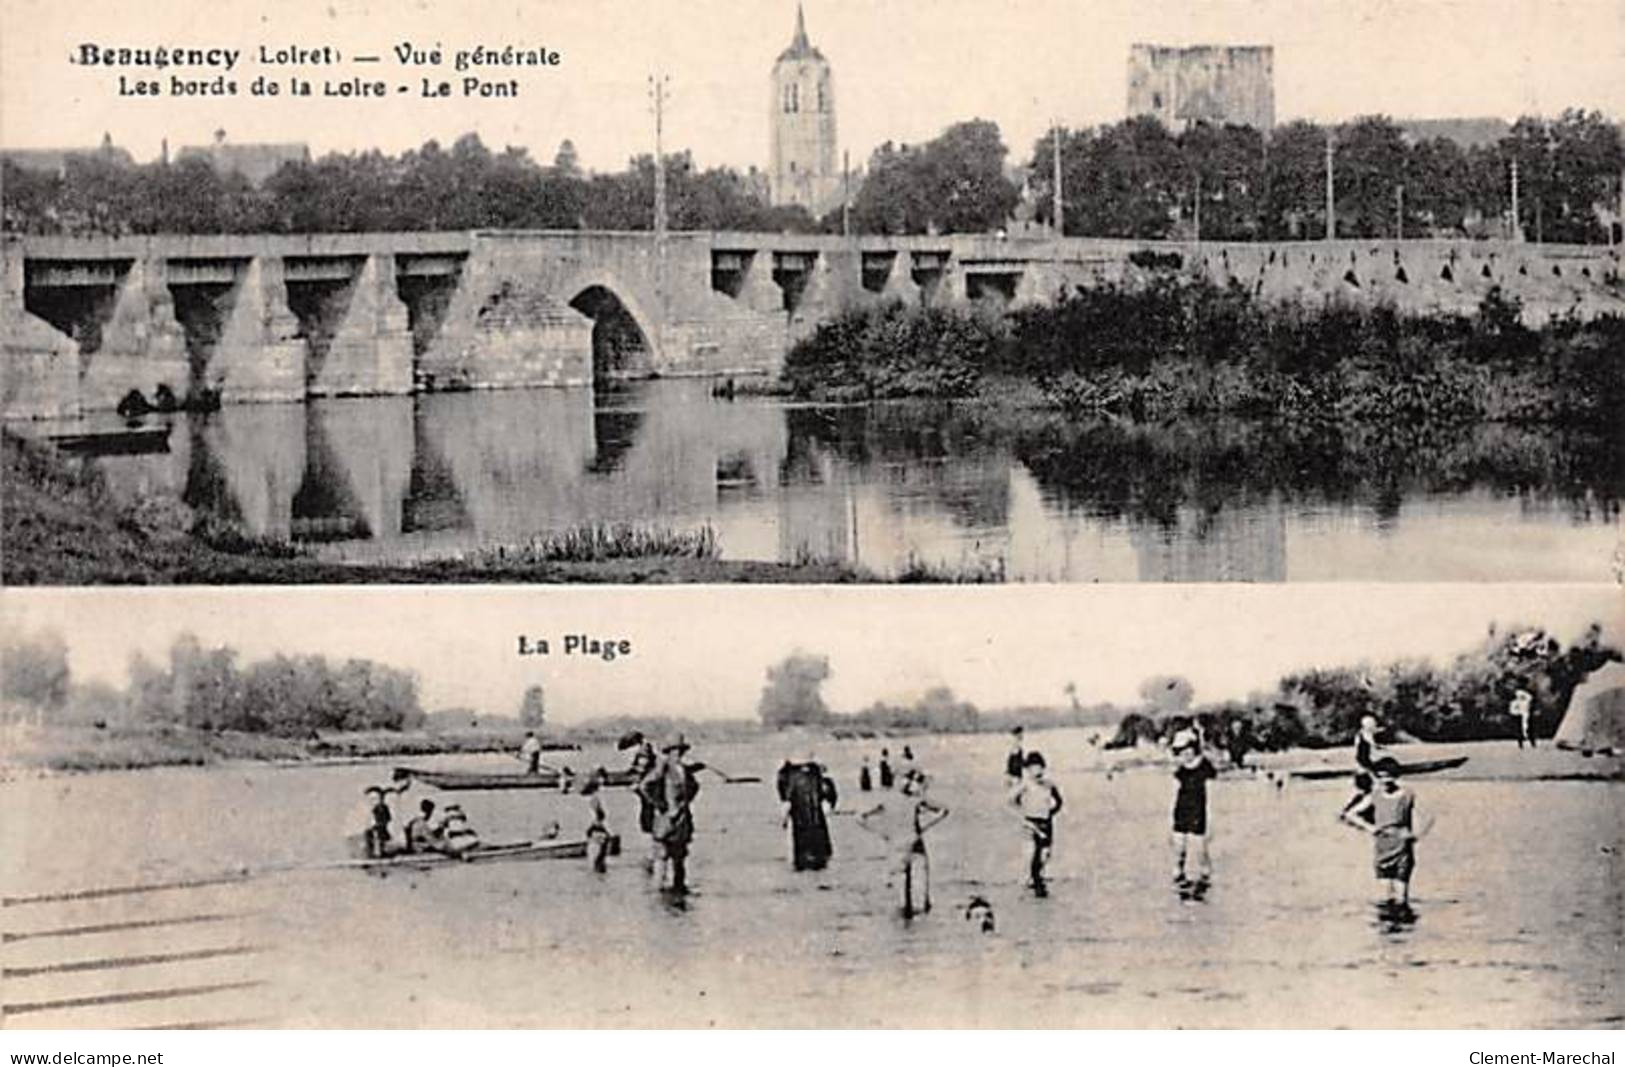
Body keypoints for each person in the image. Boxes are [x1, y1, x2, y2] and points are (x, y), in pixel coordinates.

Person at [859, 769, 949, 918]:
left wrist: (883, 832)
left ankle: (906, 937)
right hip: (911, 846)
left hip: (900, 847)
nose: (908, 783)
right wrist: (923, 827)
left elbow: (860, 817)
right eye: (906, 779)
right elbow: (943, 811)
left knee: (904, 905)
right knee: (916, 903)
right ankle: (917, 937)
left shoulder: (890, 801)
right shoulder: (913, 800)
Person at [1342, 757, 1424, 905]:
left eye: (1388, 776)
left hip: (1402, 845)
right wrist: (1370, 828)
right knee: (1385, 896)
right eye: (1380, 776)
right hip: (1382, 846)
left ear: (1396, 776)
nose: (1385, 780)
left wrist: (1416, 835)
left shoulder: (1407, 795)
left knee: (1401, 895)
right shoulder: (1375, 795)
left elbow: (1428, 816)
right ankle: (1387, 923)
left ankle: (1403, 924)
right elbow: (1350, 814)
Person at [640, 735, 702, 894]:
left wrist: (686, 803)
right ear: (669, 752)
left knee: (680, 860)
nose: (679, 754)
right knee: (661, 858)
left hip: (683, 821)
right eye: (676, 750)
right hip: (666, 821)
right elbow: (644, 786)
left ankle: (679, 893)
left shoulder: (685, 770)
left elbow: (695, 786)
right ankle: (658, 895)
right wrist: (659, 804)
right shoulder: (663, 768)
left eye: (681, 751)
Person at [1009, 751, 1064, 896]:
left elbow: (1059, 802)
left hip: (1046, 822)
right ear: (1028, 770)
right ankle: (1029, 881)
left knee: (1045, 855)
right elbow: (1010, 800)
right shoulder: (1025, 785)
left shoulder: (1049, 785)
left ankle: (1037, 878)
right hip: (1029, 821)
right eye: (1033, 768)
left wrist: (1052, 812)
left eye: (1039, 767)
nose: (1037, 771)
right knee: (1031, 853)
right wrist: (1021, 813)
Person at [1170, 729, 1217, 888]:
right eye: (1182, 752)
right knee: (1179, 846)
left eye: (1187, 750)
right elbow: (1174, 789)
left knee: (1200, 848)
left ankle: (1205, 874)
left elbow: (1212, 789)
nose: (1185, 755)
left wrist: (1211, 822)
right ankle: (1178, 871)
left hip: (1198, 809)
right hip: (1181, 809)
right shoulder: (1180, 769)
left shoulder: (1204, 766)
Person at [777, 752, 838, 872]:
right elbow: (828, 789)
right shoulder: (813, 772)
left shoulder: (789, 773)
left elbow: (784, 793)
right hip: (810, 806)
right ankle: (816, 857)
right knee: (813, 828)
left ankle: (809, 857)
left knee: (805, 831)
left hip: (803, 806)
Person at [361, 777, 411, 858]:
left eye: (375, 799)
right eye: (371, 800)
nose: (373, 803)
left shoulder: (386, 813)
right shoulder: (376, 814)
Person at [581, 767, 615, 873]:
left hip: (596, 830)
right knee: (598, 860)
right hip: (597, 830)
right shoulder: (594, 797)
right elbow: (598, 815)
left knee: (597, 860)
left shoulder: (593, 796)